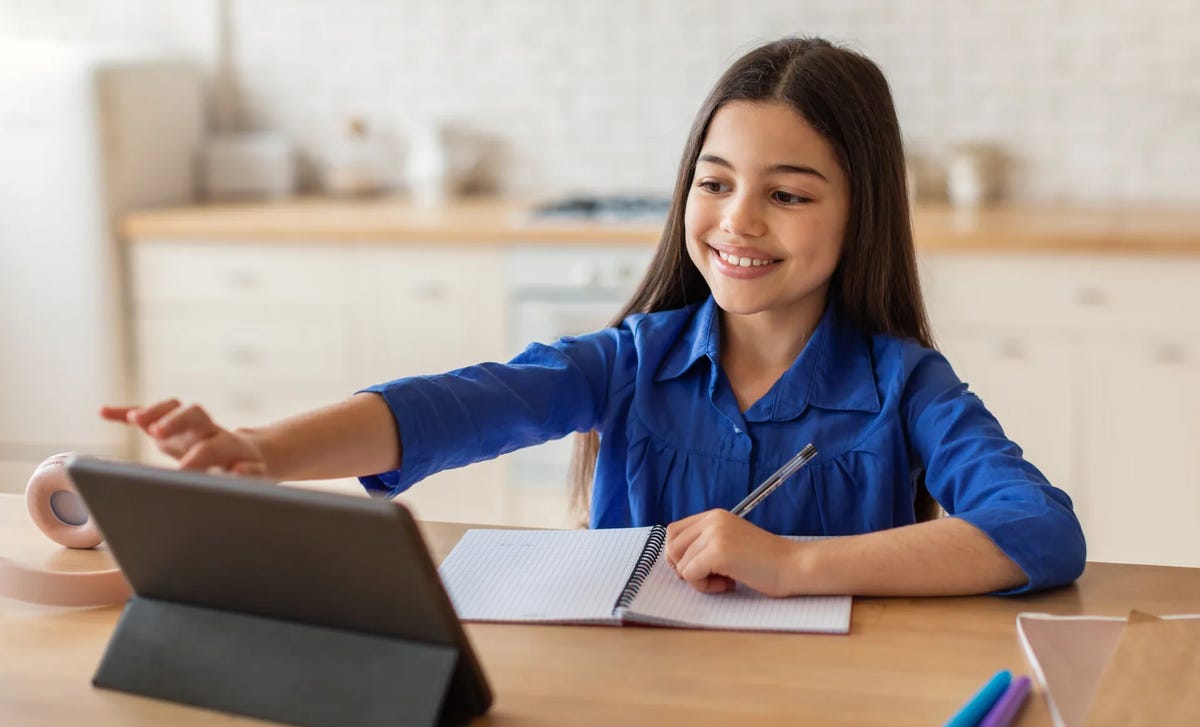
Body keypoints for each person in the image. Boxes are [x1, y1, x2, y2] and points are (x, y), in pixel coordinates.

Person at [101, 36, 1085, 598]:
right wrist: (263, 451)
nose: (737, 222)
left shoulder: (905, 385)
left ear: (861, 209)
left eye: (788, 194)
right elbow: (453, 408)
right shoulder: (628, 363)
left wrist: (796, 562)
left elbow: (1039, 531)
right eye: (714, 183)